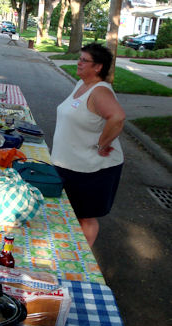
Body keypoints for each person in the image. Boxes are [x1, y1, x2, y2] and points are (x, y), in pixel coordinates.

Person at [51, 43, 126, 247]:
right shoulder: (82, 85)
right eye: (80, 58)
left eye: (84, 60)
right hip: (70, 163)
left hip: (92, 168)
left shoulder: (100, 91)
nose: (79, 62)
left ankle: (81, 262)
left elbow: (117, 117)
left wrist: (102, 144)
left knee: (85, 217)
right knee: (68, 211)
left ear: (98, 67)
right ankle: (68, 253)